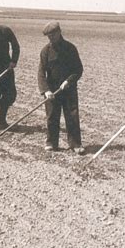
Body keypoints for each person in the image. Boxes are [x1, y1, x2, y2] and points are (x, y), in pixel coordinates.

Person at [38, 21, 85, 155]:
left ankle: (75, 144)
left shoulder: (70, 49)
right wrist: (46, 90)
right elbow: (41, 73)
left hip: (69, 89)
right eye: (48, 36)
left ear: (59, 32)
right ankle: (51, 142)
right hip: (52, 90)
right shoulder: (45, 51)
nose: (50, 38)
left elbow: (78, 69)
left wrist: (69, 81)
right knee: (52, 116)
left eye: (52, 35)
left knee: (72, 116)